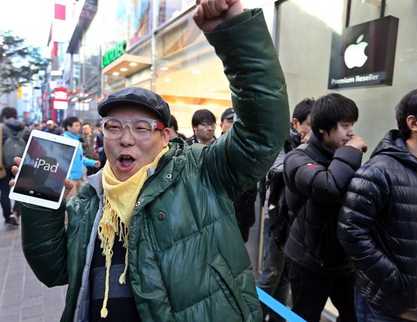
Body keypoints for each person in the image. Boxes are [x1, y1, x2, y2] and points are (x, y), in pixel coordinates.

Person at [15, 1, 289, 321]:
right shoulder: (89, 200)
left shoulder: (199, 171)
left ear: (166, 136)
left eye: (142, 128)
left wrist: (234, 33)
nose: (126, 139)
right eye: (113, 127)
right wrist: (39, 202)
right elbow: (54, 271)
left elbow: (262, 132)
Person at [338, 86, 417, 322]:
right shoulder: (378, 171)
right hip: (386, 303)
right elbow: (350, 232)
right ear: (414, 123)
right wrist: (393, 280)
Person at [284, 93, 367, 322]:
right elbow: (328, 187)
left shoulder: (343, 156)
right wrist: (350, 152)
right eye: (344, 125)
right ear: (322, 129)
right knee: (305, 315)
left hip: (342, 260)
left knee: (353, 315)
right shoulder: (297, 158)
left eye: (352, 125)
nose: (351, 132)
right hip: (308, 259)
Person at [257, 98, 313, 322]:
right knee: (271, 273)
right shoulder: (281, 141)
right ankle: (254, 315)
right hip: (277, 216)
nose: (313, 129)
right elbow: (278, 170)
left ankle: (277, 317)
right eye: (310, 123)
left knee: (285, 276)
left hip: (297, 218)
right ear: (296, 123)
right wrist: (305, 149)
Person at [219, 107, 257, 242]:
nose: (234, 124)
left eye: (238, 121)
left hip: (241, 216)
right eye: (230, 120)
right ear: (221, 124)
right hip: (217, 217)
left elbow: (252, 186)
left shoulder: (249, 150)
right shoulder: (213, 149)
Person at [0, 107, 28, 226]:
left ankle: (8, 216)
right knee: (21, 190)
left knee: (5, 191)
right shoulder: (25, 129)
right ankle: (16, 212)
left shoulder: (1, 128)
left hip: (4, 165)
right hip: (20, 163)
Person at [62, 116, 100, 196]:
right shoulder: (64, 140)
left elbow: (79, 157)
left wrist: (92, 162)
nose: (79, 127)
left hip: (79, 176)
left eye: (79, 125)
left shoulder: (76, 140)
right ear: (68, 127)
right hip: (70, 178)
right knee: (71, 204)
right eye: (76, 125)